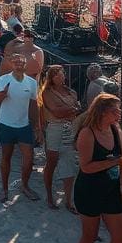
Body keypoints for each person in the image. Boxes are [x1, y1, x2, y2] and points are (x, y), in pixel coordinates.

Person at [73, 94, 122, 243]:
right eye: (114, 110)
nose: (119, 113)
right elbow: (86, 167)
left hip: (111, 189)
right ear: (102, 112)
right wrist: (113, 162)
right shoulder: (87, 133)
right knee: (90, 236)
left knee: (121, 237)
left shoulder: (115, 129)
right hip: (89, 190)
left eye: (119, 109)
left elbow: (121, 158)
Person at [0, 53, 41, 202]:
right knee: (6, 157)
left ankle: (25, 186)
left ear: (26, 64)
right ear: (11, 64)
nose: (19, 63)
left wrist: (37, 126)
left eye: (22, 61)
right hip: (6, 124)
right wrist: (2, 94)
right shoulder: (3, 80)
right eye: (16, 61)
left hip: (24, 125)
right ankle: (4, 189)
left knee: (29, 157)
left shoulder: (32, 83)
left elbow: (34, 105)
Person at [38, 64, 79, 211]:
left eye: (61, 74)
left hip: (69, 128)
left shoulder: (71, 92)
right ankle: (49, 195)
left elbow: (75, 111)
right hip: (54, 129)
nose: (60, 77)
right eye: (56, 74)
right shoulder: (47, 92)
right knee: (51, 163)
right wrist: (71, 110)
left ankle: (68, 200)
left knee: (69, 165)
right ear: (51, 77)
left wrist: (67, 111)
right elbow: (56, 112)